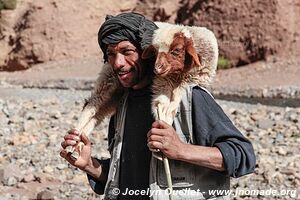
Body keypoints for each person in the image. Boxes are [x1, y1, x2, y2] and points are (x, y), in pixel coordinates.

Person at [60, 12, 256, 200]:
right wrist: (88, 165)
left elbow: (243, 156)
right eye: (111, 54)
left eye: (127, 51)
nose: (117, 63)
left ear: (150, 53)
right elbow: (123, 177)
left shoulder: (189, 99)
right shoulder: (122, 105)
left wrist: (181, 150)